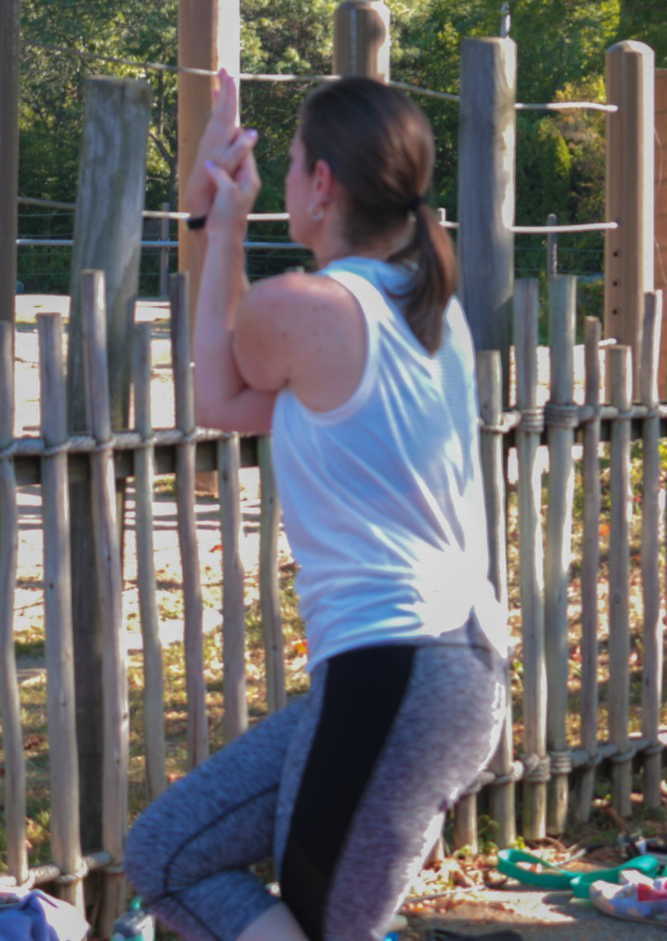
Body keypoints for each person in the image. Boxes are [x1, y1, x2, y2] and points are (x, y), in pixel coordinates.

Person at [125, 73, 509, 941]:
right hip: (429, 671)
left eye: (292, 162)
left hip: (402, 666)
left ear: (322, 184)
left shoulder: (306, 308)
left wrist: (217, 225)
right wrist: (215, 221)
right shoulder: (427, 313)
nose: (286, 179)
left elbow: (214, 381)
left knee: (312, 922)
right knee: (171, 851)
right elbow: (227, 406)